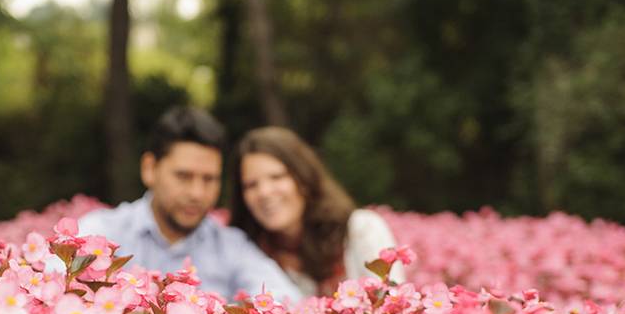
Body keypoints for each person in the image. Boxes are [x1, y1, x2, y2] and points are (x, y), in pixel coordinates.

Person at [77, 107, 302, 302]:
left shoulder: (231, 247)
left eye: (209, 179)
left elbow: (285, 300)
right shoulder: (100, 234)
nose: (197, 193)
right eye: (184, 176)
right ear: (149, 169)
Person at [230, 126, 404, 297]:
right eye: (251, 185)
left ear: (304, 177)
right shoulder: (247, 253)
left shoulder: (361, 229)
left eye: (277, 177)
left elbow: (391, 304)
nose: (264, 192)